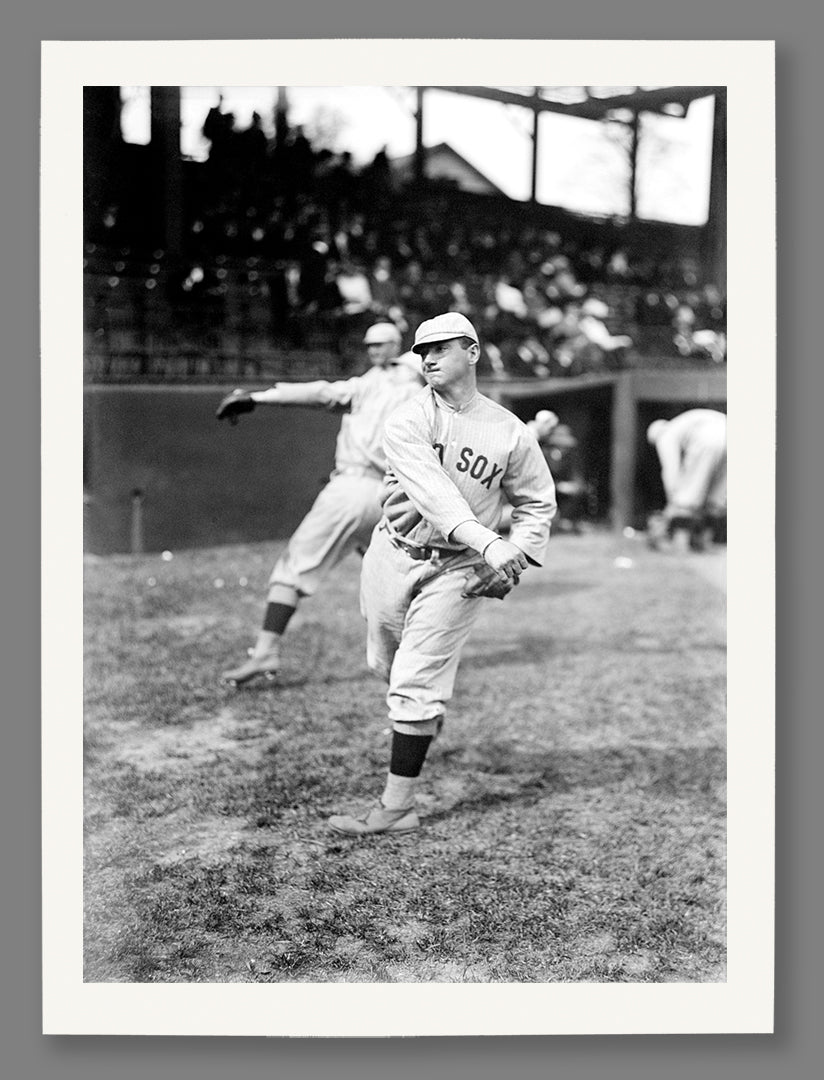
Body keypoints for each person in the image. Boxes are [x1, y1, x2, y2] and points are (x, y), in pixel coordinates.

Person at [328, 312, 556, 836]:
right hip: (393, 550)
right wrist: (491, 542)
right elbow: (435, 495)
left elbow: (537, 504)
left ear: (472, 353)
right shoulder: (407, 418)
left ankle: (397, 806)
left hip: (460, 570)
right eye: (421, 349)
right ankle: (420, 718)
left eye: (440, 348)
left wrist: (513, 556)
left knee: (415, 682)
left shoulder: (509, 430)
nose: (426, 357)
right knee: (383, 661)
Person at [215, 322, 424, 685]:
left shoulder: (368, 385)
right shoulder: (425, 397)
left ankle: (265, 652)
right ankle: (412, 664)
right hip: (391, 497)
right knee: (394, 583)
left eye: (379, 347)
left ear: (394, 349)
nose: (374, 353)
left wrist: (258, 397)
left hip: (352, 487)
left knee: (292, 571)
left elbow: (319, 393)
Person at [646, 409, 727, 552]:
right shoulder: (683, 423)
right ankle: (704, 542)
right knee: (716, 498)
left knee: (688, 497)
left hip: (707, 440)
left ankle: (681, 543)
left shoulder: (665, 434)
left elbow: (671, 469)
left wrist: (675, 499)